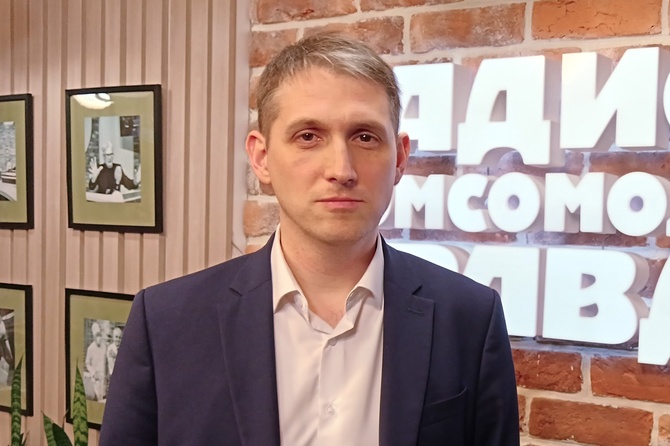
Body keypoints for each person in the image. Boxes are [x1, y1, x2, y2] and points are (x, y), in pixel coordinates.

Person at [100, 33, 519, 445]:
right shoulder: (167, 323)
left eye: (365, 137)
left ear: (400, 158)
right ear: (261, 157)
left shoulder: (469, 319)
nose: (341, 169)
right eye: (308, 136)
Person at [84, 322, 107, 401]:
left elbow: (105, 362)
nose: (99, 337)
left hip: (103, 377)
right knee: (96, 397)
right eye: (97, 335)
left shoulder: (104, 346)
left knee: (102, 397)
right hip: (95, 378)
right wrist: (94, 373)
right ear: (94, 337)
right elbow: (87, 363)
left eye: (100, 335)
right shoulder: (90, 348)